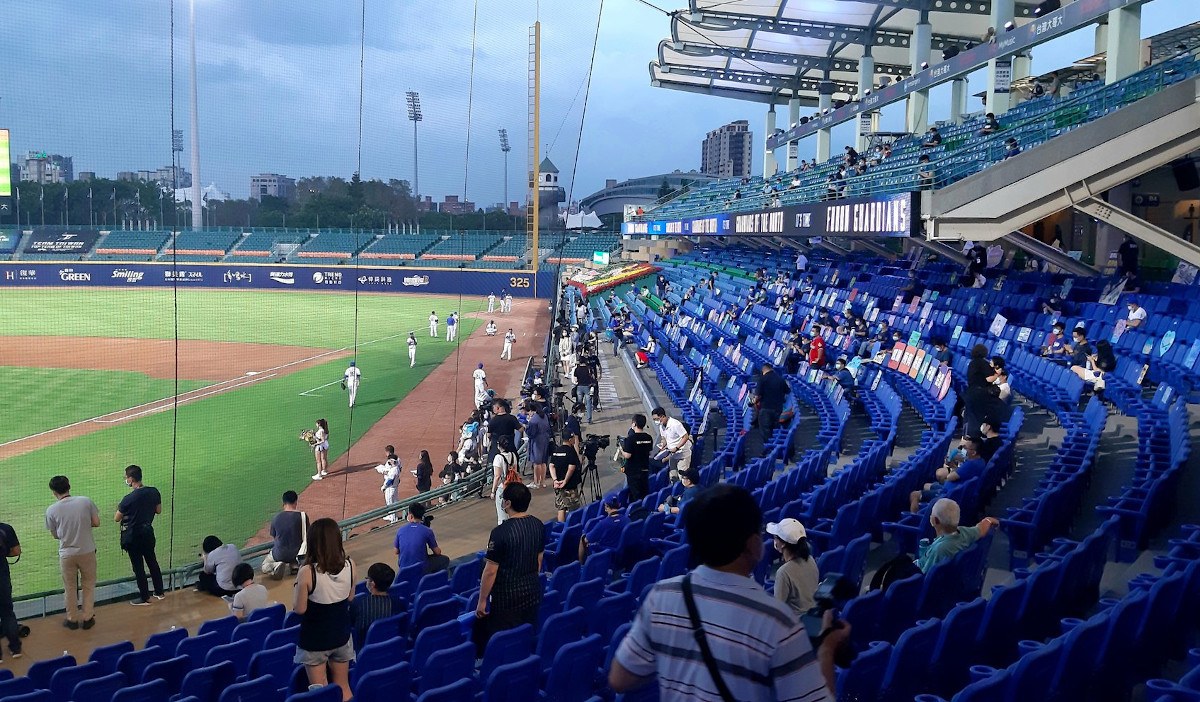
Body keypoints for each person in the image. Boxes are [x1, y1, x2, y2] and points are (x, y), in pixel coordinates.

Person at [610, 484, 843, 700]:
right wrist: (827, 649)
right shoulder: (779, 623)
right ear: (754, 546)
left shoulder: (661, 597)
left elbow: (620, 679)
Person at [474, 483, 544, 656]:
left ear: (507, 503)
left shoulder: (500, 532)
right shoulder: (538, 525)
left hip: (507, 600)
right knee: (524, 637)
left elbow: (490, 571)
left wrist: (482, 600)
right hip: (532, 591)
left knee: (505, 643)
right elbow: (539, 561)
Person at [293, 518, 356, 700]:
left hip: (315, 641)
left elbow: (299, 609)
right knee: (343, 686)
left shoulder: (307, 572)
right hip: (342, 635)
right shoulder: (350, 564)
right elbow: (350, 597)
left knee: (322, 692)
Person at [45, 475, 100, 630]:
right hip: (87, 550)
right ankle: (88, 618)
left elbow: (55, 535)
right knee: (88, 585)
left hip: (66, 554)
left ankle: (72, 620)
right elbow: (96, 522)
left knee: (69, 587)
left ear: (54, 492)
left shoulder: (51, 510)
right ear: (69, 486)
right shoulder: (85, 501)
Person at [115, 465, 165, 606]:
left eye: (126, 478)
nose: (126, 480)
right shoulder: (154, 492)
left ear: (131, 479)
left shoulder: (128, 499)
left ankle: (145, 597)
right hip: (148, 533)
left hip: (133, 536)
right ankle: (159, 592)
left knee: (138, 567)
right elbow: (158, 510)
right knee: (152, 562)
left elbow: (117, 518)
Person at [915, 498, 999, 573]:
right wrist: (988, 520)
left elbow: (924, 575)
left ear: (935, 520)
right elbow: (981, 529)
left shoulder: (940, 550)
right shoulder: (963, 531)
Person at [766, 518, 819, 617]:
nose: (774, 540)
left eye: (775, 537)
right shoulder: (810, 560)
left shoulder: (783, 572)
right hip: (811, 618)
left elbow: (778, 611)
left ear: (783, 544)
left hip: (794, 624)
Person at [262, 491, 307, 579]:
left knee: (265, 565)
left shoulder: (276, 517)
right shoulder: (303, 516)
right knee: (295, 545)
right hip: (298, 554)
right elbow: (306, 535)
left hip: (280, 554)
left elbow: (274, 537)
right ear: (296, 502)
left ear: (283, 503)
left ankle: (276, 565)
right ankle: (294, 565)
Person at [350, 563, 395, 648]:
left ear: (372, 583)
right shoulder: (397, 602)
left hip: (362, 650)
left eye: (367, 578)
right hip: (390, 647)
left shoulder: (359, 603)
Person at [393, 503, 448, 573]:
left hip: (404, 567)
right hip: (421, 568)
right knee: (444, 560)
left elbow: (396, 551)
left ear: (410, 516)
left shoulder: (400, 530)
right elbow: (437, 552)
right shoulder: (427, 530)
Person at [580, 495, 630, 562]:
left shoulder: (603, 524)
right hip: (624, 553)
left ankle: (581, 565)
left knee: (583, 538)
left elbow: (587, 540)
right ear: (619, 504)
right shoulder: (627, 520)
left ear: (606, 507)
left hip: (609, 556)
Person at [652, 406, 692, 482]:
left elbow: (685, 437)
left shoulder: (675, 424)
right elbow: (664, 438)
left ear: (662, 416)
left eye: (656, 419)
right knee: (673, 476)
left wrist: (676, 448)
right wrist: (663, 444)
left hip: (682, 456)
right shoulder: (661, 426)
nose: (656, 421)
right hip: (672, 455)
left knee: (683, 478)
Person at [620, 414, 655, 503]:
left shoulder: (630, 439)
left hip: (633, 472)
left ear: (634, 424)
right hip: (645, 469)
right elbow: (649, 452)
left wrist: (621, 450)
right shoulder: (649, 437)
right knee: (644, 492)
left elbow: (628, 455)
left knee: (635, 494)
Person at [550, 433, 583, 522]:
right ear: (570, 439)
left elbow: (551, 465)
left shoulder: (557, 450)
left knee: (561, 508)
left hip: (558, 485)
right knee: (574, 508)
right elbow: (571, 468)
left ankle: (561, 528)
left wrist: (555, 480)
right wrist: (565, 481)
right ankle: (574, 527)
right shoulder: (571, 451)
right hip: (570, 486)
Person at [0, 519, 21, 659]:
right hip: (2, 578)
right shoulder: (6, 528)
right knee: (7, 613)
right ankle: (15, 649)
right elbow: (16, 551)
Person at [755, 363, 790, 445]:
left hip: (766, 408)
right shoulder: (780, 379)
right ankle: (776, 446)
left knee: (765, 430)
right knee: (776, 429)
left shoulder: (762, 380)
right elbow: (788, 391)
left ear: (763, 370)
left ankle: (768, 448)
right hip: (778, 408)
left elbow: (757, 396)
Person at [491, 435, 521, 525]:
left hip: (502, 488)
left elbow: (497, 476)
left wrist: (493, 491)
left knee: (502, 515)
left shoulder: (498, 458)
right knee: (512, 512)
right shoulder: (513, 455)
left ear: (499, 445)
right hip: (512, 487)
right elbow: (515, 471)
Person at [524, 403, 551, 489]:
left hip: (537, 441)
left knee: (537, 462)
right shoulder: (544, 416)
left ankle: (536, 482)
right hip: (545, 440)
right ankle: (542, 481)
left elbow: (531, 433)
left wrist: (526, 427)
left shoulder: (533, 420)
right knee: (543, 462)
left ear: (532, 410)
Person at [573, 358, 596, 424]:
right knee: (588, 404)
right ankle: (589, 419)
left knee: (579, 404)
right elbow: (593, 377)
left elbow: (575, 380)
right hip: (587, 387)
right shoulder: (588, 369)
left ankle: (579, 419)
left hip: (579, 387)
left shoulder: (577, 369)